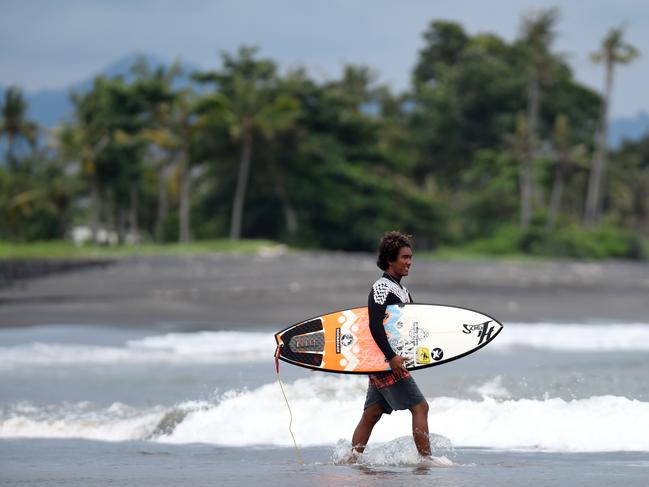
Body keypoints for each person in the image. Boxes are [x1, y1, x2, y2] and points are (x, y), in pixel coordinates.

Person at [350, 231, 431, 460]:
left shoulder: (402, 291)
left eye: (410, 257)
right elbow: (374, 325)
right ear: (390, 260)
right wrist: (392, 357)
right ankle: (426, 461)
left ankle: (351, 459)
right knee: (420, 407)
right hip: (386, 361)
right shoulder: (381, 288)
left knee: (372, 413)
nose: (409, 262)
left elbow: (411, 328)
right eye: (404, 257)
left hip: (381, 361)